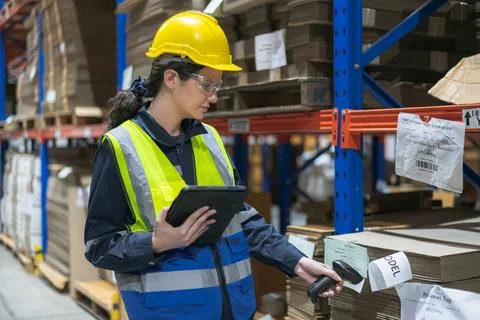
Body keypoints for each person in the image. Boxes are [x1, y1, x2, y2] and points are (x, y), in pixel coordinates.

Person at [84, 11, 343, 320]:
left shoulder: (210, 139)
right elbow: (99, 245)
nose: (214, 97)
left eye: (218, 86)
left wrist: (298, 263)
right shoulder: (121, 146)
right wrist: (156, 242)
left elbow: (242, 221)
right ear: (171, 78)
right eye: (207, 84)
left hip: (237, 311)